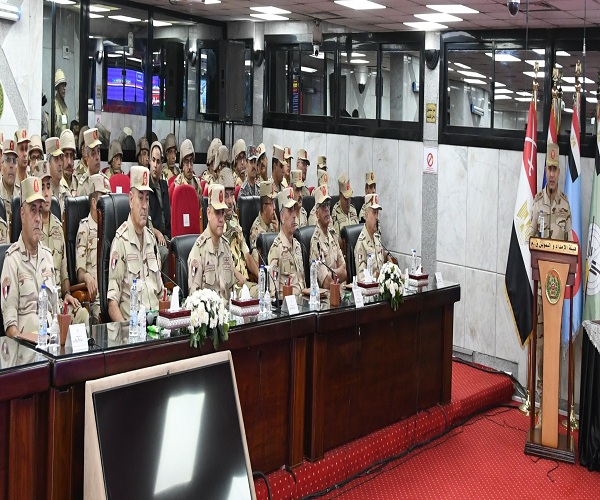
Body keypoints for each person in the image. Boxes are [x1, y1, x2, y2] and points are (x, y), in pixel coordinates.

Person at [530, 142, 572, 424]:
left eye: (556, 169)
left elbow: (569, 249)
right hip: (541, 290)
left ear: (560, 171)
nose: (553, 174)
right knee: (542, 345)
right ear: (544, 171)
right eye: (549, 168)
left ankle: (553, 406)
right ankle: (540, 404)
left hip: (557, 293)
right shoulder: (537, 204)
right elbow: (531, 241)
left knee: (554, 346)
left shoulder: (565, 206)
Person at [1, 177, 58, 338]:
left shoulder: (47, 256)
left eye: (40, 210)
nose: (38, 218)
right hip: (25, 348)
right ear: (22, 214)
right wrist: (32, 340)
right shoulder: (12, 261)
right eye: (33, 210)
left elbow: (56, 313)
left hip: (50, 344)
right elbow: (10, 329)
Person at [34, 160, 88, 326]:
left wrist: (67, 294)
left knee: (82, 315)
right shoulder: (31, 228)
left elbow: (64, 275)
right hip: (39, 306)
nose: (46, 193)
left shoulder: (58, 227)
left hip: (58, 302)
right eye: (42, 187)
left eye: (48, 187)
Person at [107, 165, 164, 321]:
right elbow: (112, 303)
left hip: (156, 327)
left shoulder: (151, 240)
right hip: (133, 329)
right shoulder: (120, 241)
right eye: (140, 198)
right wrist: (126, 331)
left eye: (147, 199)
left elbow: (161, 293)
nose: (145, 205)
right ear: (131, 200)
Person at [188, 183, 236, 300]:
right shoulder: (199, 250)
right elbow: (194, 298)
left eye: (222, 213)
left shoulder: (226, 247)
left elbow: (232, 292)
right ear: (208, 213)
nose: (221, 219)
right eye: (217, 212)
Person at [220, 167, 259, 297]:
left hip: (245, 284)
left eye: (232, 195)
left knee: (266, 290)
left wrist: (261, 276)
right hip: (231, 286)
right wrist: (237, 275)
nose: (230, 201)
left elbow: (246, 254)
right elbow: (221, 261)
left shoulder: (235, 220)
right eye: (226, 196)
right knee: (261, 295)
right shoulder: (217, 225)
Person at [76, 174, 110, 322]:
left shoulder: (112, 227)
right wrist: (87, 277)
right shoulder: (85, 228)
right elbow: (80, 273)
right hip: (96, 298)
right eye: (104, 198)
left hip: (114, 293)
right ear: (94, 202)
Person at [268, 187, 305, 296]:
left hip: (303, 302)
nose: (294, 215)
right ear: (282, 217)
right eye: (290, 211)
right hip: (287, 304)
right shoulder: (276, 249)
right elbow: (273, 295)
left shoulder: (297, 245)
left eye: (294, 210)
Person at [310, 185, 347, 288]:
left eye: (328, 205)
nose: (327, 209)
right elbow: (326, 282)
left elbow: (344, 272)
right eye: (323, 206)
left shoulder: (333, 235)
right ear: (317, 213)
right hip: (325, 296)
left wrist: (332, 272)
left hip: (340, 292)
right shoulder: (315, 242)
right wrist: (337, 273)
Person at [355, 193, 390, 282]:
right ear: (366, 215)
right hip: (371, 288)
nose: (377, 217)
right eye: (374, 213)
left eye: (377, 213)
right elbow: (361, 279)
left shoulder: (377, 238)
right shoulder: (361, 243)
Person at [148, 141, 171, 268]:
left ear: (162, 165)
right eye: (153, 160)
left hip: (166, 235)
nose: (155, 165)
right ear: (149, 162)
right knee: (164, 252)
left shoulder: (164, 185)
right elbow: (146, 222)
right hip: (152, 237)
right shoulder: (145, 186)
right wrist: (157, 233)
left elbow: (168, 215)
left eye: (158, 162)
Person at [249, 180, 278, 265]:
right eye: (271, 203)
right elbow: (258, 263)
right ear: (264, 208)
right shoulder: (256, 232)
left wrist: (277, 233)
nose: (275, 207)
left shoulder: (273, 223)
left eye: (274, 202)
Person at [78, 128, 108, 197]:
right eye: (93, 153)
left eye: (98, 152)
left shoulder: (106, 182)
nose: (97, 157)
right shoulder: (83, 186)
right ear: (87, 159)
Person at [332, 174, 359, 241]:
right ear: (340, 196)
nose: (348, 202)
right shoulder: (336, 213)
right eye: (345, 199)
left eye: (349, 198)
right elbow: (336, 240)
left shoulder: (353, 210)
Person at [45, 137, 68, 215]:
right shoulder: (45, 193)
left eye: (61, 158)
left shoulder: (65, 191)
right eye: (56, 159)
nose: (60, 163)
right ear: (48, 164)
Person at [0, 138, 20, 223]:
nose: (11, 165)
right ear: (1, 167)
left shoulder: (21, 194)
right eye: (8, 160)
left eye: (14, 161)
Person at [59, 129, 78, 196]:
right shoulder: (56, 183)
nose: (69, 162)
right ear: (60, 157)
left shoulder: (77, 182)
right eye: (66, 155)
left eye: (71, 155)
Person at [54, 69, 69, 136]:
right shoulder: (54, 106)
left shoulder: (65, 107)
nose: (64, 88)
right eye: (62, 85)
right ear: (57, 87)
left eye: (64, 85)